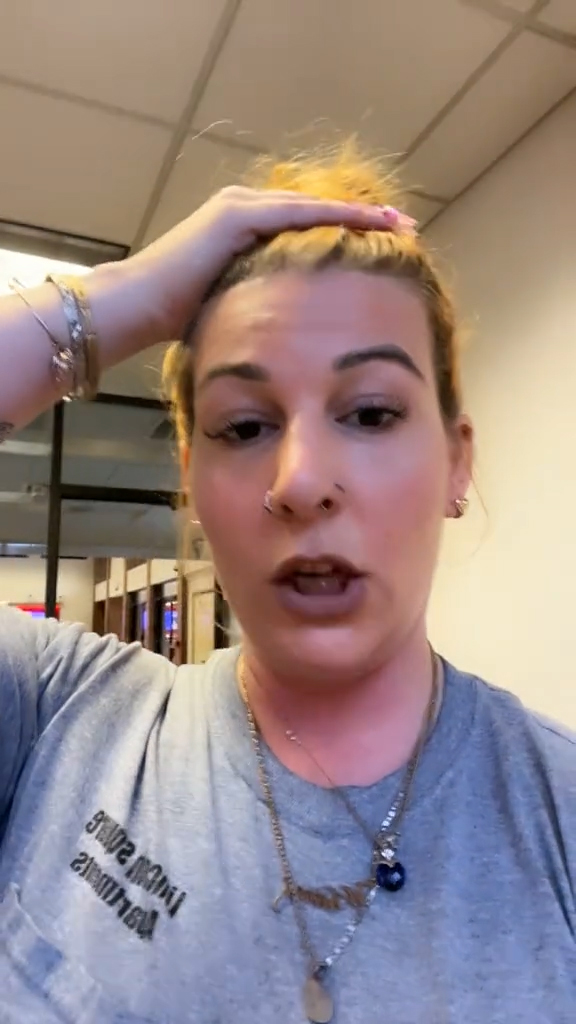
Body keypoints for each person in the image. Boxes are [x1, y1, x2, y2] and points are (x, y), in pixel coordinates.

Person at [0, 143, 574, 1024]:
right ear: (191, 480)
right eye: (244, 425)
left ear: (457, 462)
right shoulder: (50, 716)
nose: (302, 481)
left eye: (372, 412)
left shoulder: (559, 814)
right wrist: (130, 296)